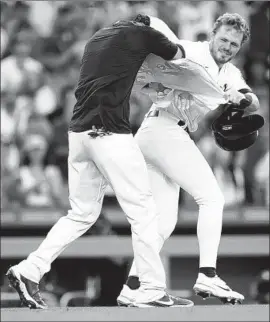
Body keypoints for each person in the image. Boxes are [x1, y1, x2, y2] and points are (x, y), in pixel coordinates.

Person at [6, 14, 194, 309]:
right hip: (109, 133)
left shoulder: (97, 38)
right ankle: (150, 289)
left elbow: (118, 71)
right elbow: (180, 56)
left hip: (78, 134)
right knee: (144, 211)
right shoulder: (146, 33)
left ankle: (29, 270)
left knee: (81, 213)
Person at [117, 13, 260, 307]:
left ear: (240, 46)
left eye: (234, 43)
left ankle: (133, 286)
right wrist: (144, 21)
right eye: (223, 39)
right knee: (212, 199)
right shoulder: (190, 51)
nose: (227, 46)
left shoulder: (229, 73)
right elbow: (151, 54)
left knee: (164, 223)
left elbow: (253, 101)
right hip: (162, 129)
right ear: (212, 35)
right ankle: (208, 273)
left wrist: (243, 99)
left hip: (161, 136)